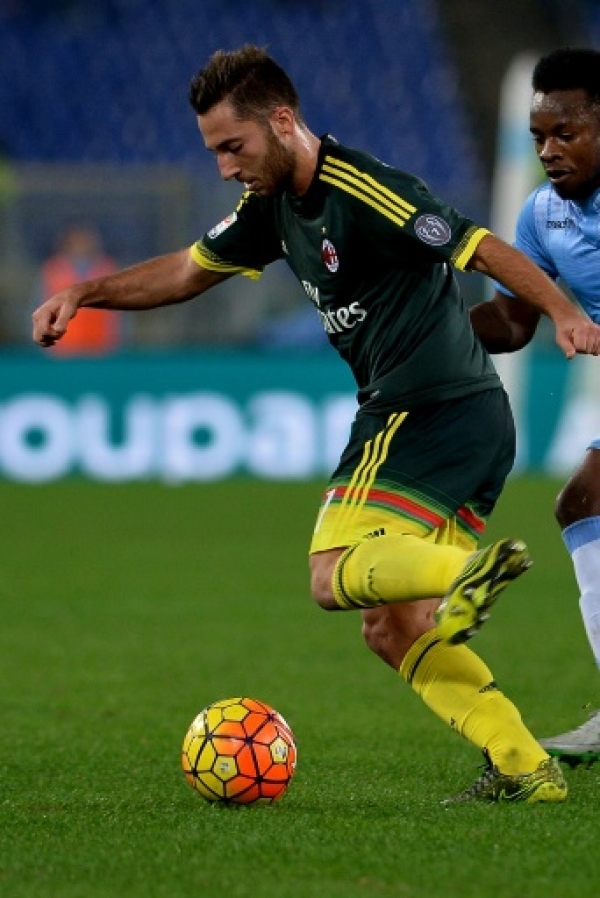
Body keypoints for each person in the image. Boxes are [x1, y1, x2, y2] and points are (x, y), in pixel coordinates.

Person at [32, 46, 600, 802]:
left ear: (283, 121)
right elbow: (185, 271)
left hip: (423, 411)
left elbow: (477, 245)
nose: (226, 167)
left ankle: (466, 573)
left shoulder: (364, 188)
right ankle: (526, 768)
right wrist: (87, 293)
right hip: (456, 420)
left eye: (234, 147)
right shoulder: (269, 209)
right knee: (392, 626)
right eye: (215, 153)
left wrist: (563, 312)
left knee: (331, 574)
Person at [471, 47, 600, 766]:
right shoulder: (543, 216)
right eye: (538, 137)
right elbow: (513, 324)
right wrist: (430, 333)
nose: (549, 150)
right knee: (583, 502)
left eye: (567, 133)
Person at [38, 223, 121, 355]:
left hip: (100, 347)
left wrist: (115, 341)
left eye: (85, 241)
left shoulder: (106, 268)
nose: (81, 246)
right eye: (77, 242)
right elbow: (39, 306)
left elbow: (118, 313)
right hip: (63, 348)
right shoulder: (53, 269)